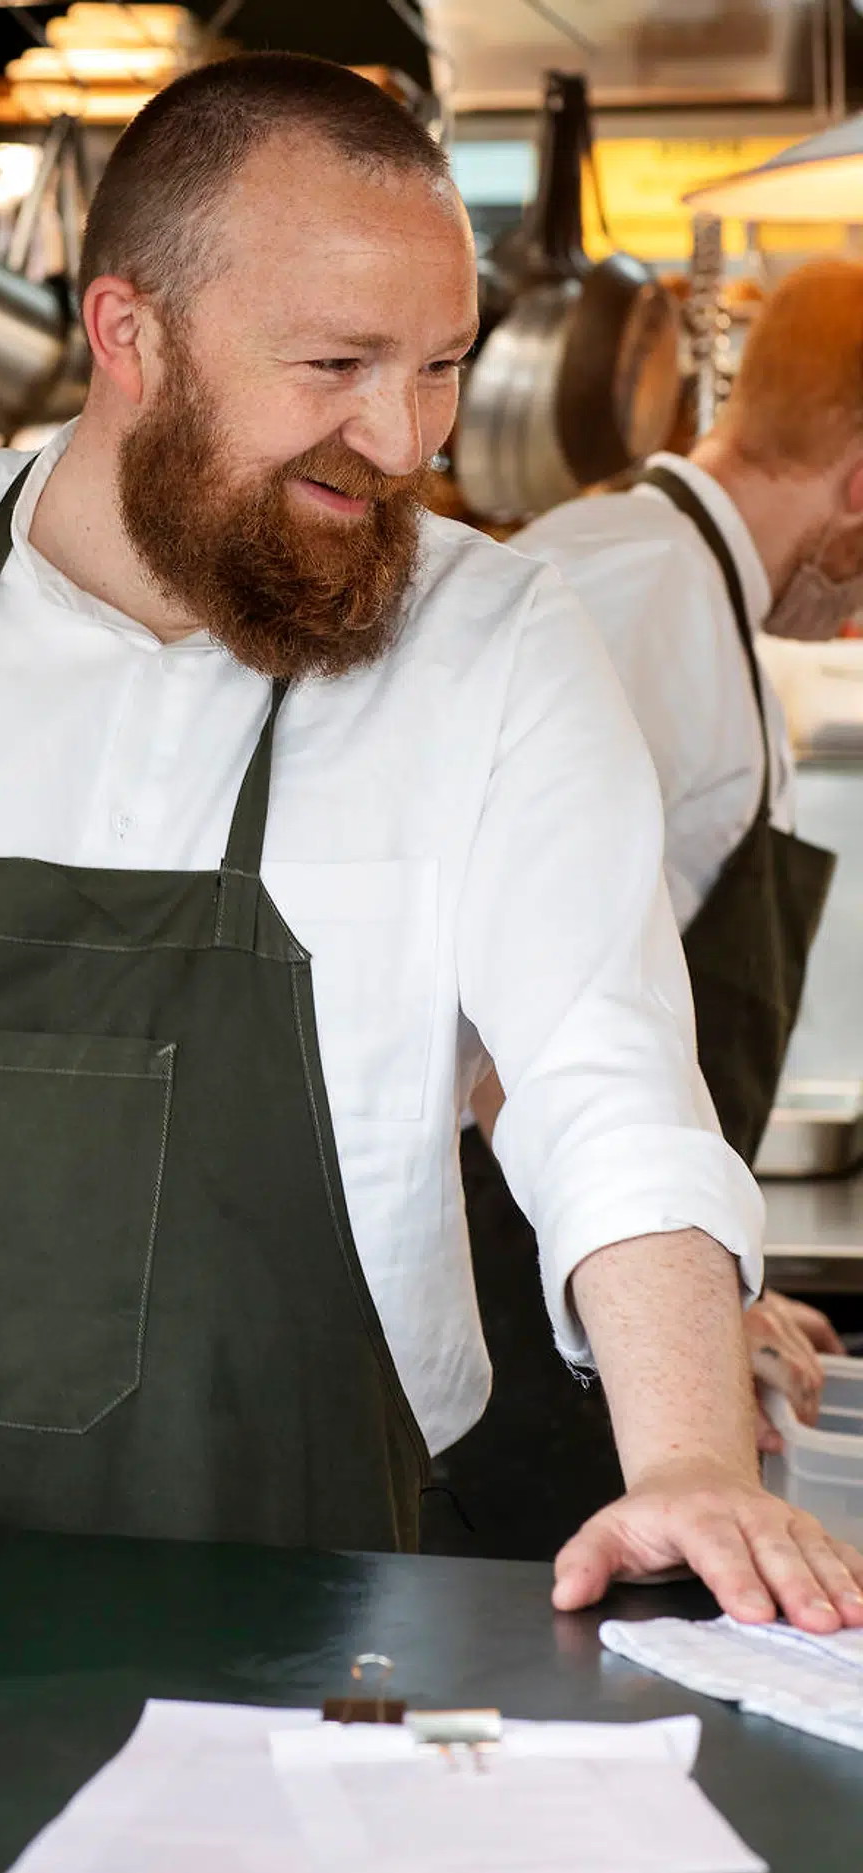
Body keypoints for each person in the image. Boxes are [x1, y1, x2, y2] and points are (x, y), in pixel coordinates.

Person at [0, 55, 863, 1629]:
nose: (403, 440)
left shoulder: (497, 639)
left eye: (441, 367)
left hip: (318, 1613)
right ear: (127, 334)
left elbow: (610, 1093)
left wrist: (687, 1457)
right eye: (335, 363)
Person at [440, 258, 863, 1559]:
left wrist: (710, 1280)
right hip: (523, 1325)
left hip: (584, 1326)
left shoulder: (693, 594)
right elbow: (506, 1022)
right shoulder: (626, 594)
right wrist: (671, 1321)